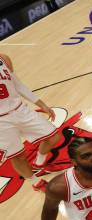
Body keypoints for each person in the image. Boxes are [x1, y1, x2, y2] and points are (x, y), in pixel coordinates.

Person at [0, 53, 60, 191]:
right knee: (18, 157)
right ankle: (35, 182)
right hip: (2, 122)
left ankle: (39, 162)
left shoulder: (3, 58)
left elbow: (18, 85)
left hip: (20, 109)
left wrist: (42, 104)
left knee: (54, 136)